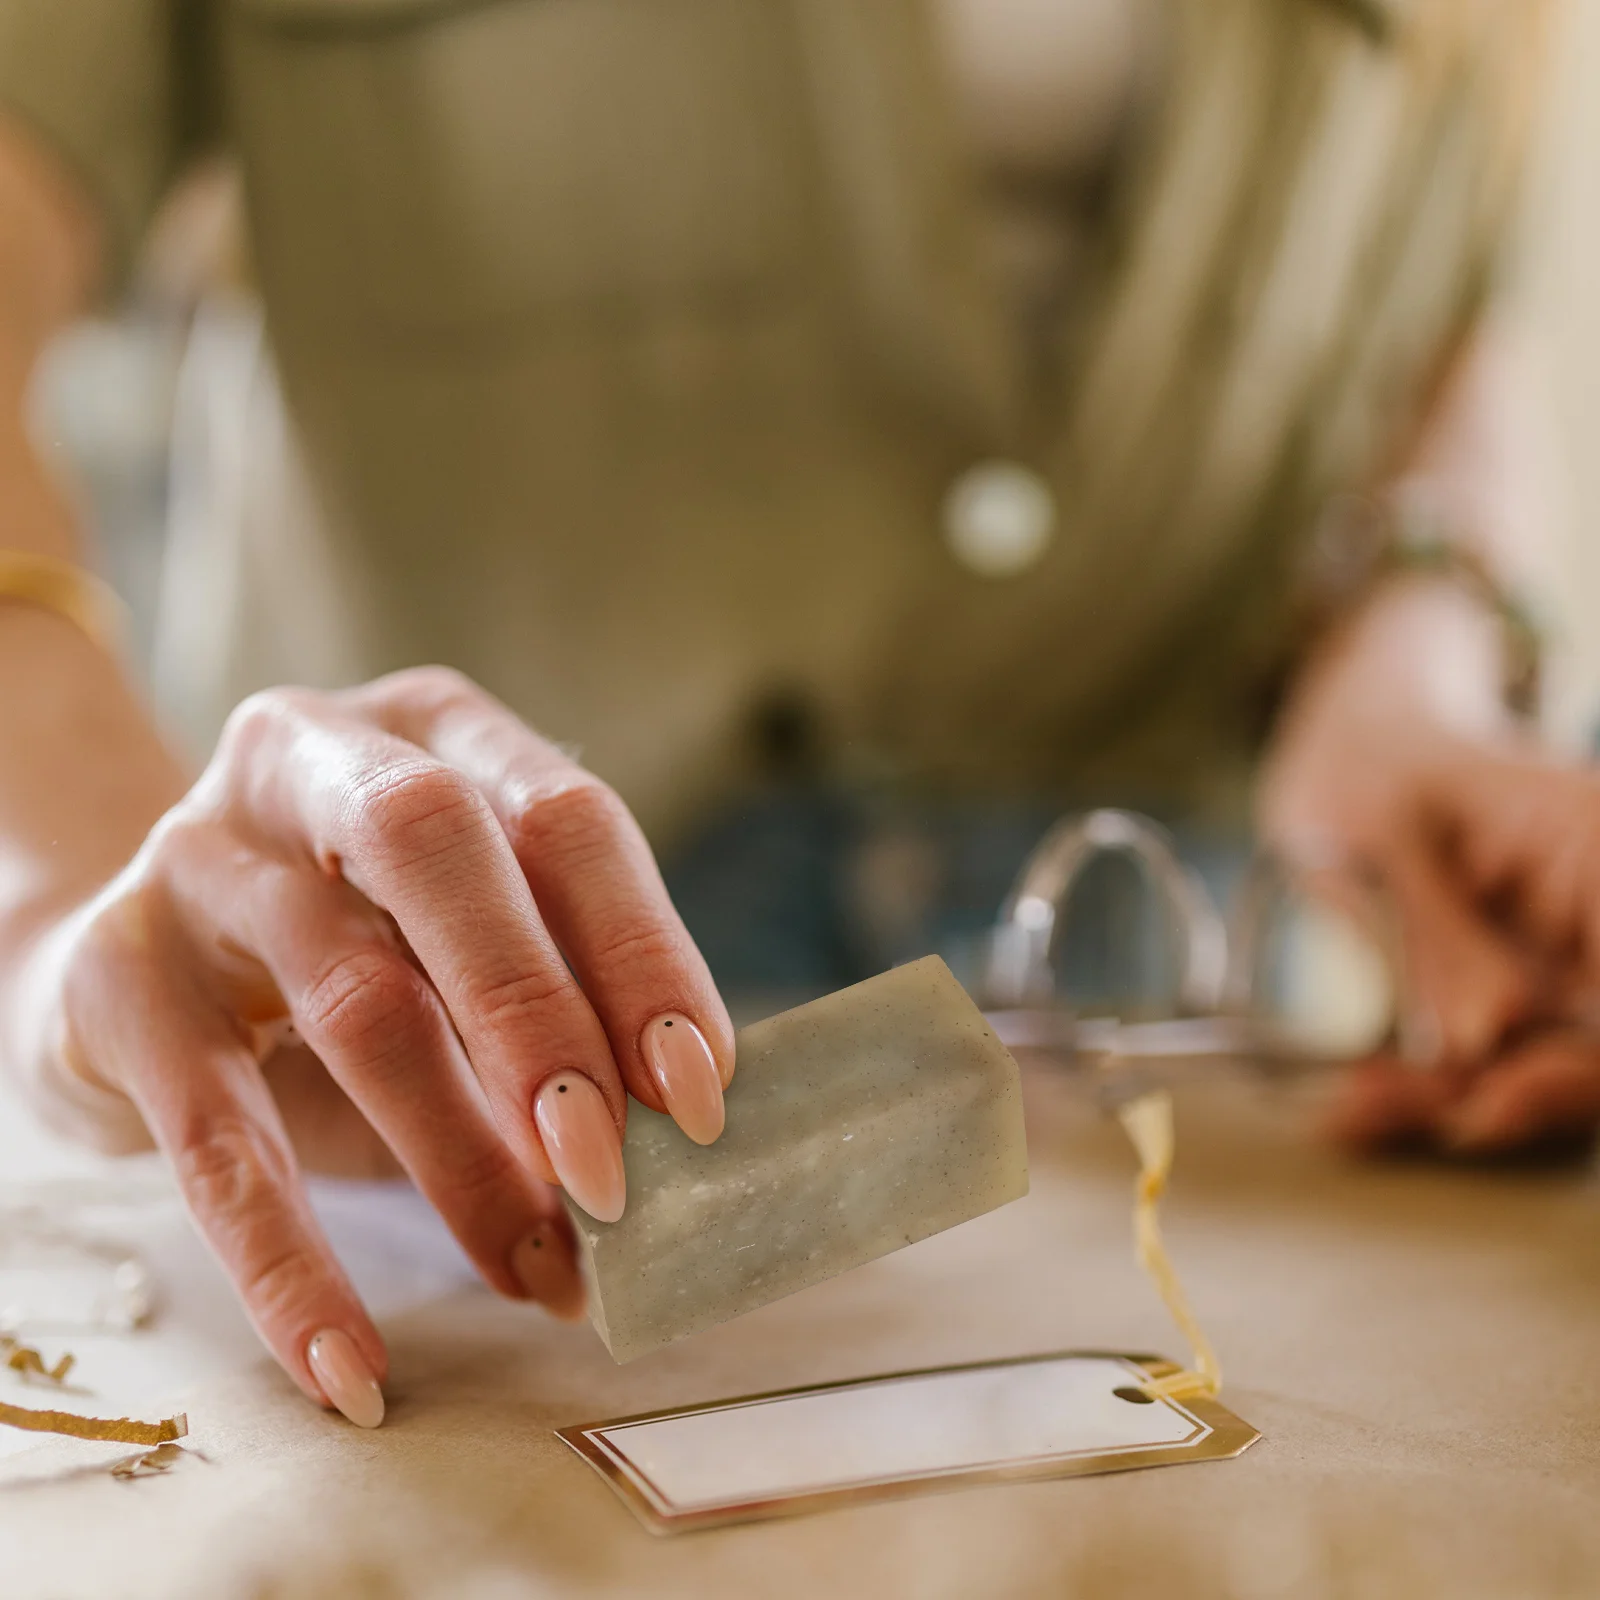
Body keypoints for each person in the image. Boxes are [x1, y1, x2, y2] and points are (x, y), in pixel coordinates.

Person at [0, 0, 1593, 1432]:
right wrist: (79, 892)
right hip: (421, 1102)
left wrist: (1417, 649)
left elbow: (1442, 318)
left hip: (1193, 1076)